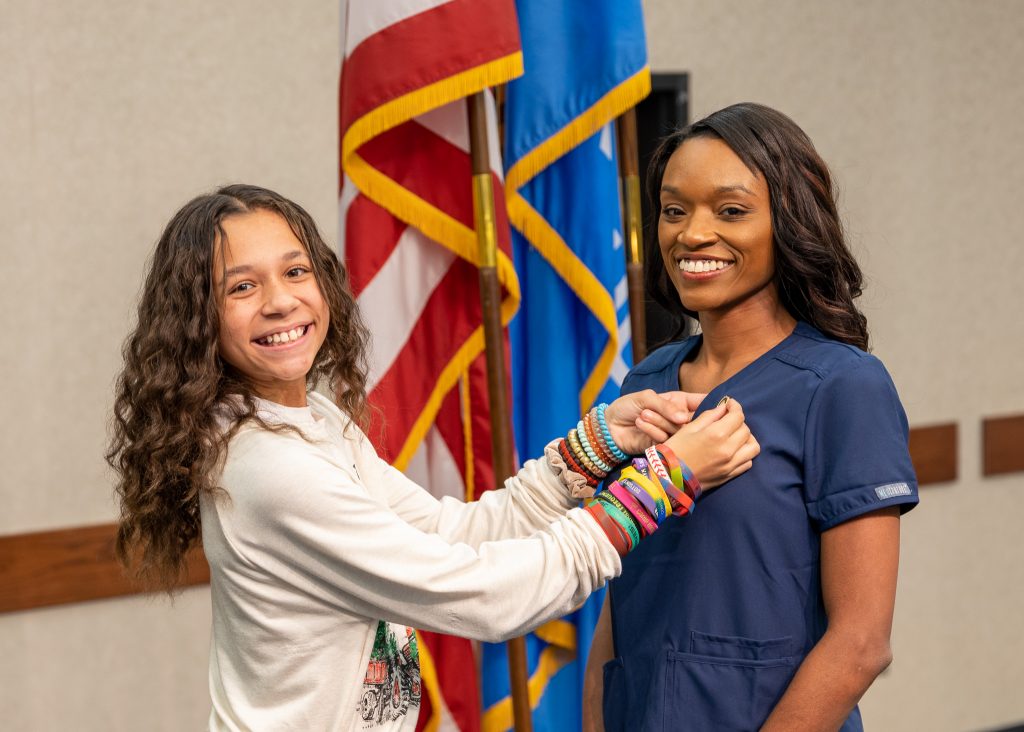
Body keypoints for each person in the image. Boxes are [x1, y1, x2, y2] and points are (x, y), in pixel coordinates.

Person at [106, 184, 760, 731]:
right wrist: (662, 480)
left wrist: (596, 448)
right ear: (199, 319)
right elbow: (488, 599)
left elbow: (455, 534)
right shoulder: (271, 470)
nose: (280, 300)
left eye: (295, 270)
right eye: (241, 287)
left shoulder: (311, 421)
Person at [582, 103, 919, 732]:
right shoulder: (647, 383)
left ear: (787, 225)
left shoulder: (843, 388)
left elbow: (861, 643)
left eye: (730, 211)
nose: (691, 234)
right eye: (674, 210)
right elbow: (620, 605)